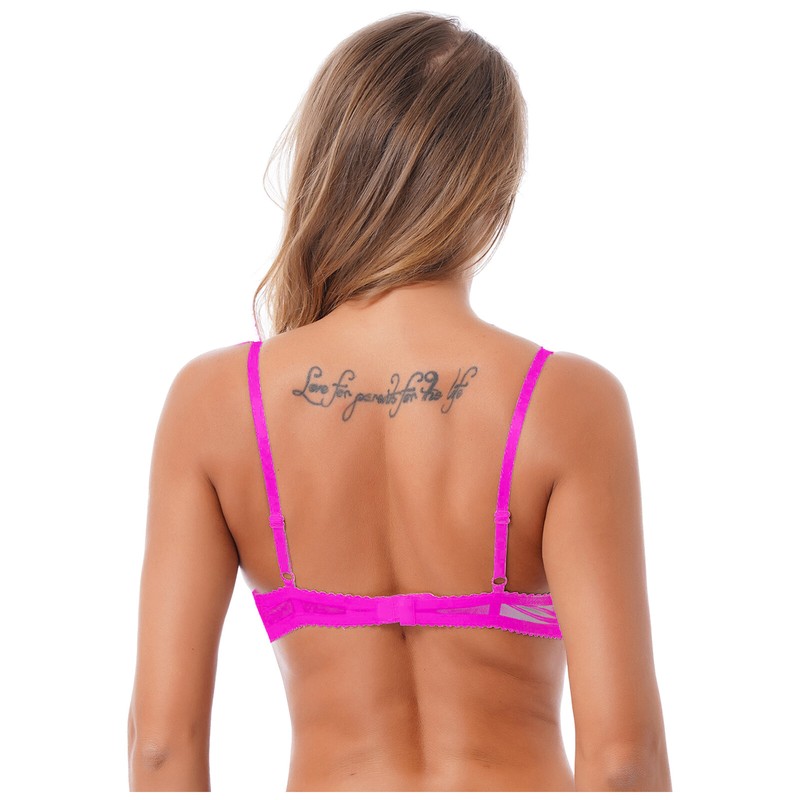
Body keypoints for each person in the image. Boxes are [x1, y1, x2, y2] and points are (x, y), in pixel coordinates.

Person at [127, 11, 671, 792]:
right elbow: (623, 759)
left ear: (329, 169)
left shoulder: (215, 403)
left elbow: (160, 749)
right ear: (490, 188)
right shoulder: (568, 403)